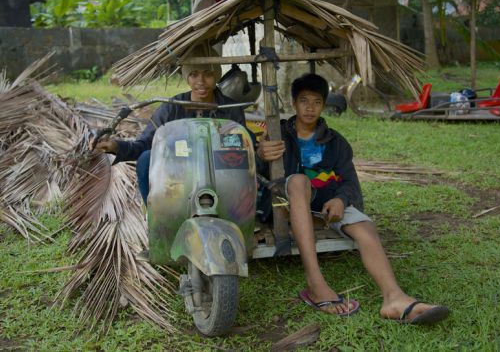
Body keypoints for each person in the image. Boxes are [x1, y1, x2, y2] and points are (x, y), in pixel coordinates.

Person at [257, 73, 450, 324]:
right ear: (294, 103)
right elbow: (257, 174)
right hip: (289, 205)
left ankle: (394, 298)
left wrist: (341, 200)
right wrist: (261, 153)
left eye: (316, 102)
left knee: (366, 228)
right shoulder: (277, 134)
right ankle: (315, 283)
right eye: (304, 101)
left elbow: (349, 182)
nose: (309, 107)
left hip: (326, 206)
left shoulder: (335, 142)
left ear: (323, 105)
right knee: (298, 181)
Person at [96, 45, 247, 204]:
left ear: (217, 75)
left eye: (208, 74)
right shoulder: (171, 107)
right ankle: (155, 214)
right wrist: (115, 146)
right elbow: (145, 144)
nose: (201, 81)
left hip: (220, 173)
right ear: (186, 76)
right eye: (194, 74)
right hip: (178, 173)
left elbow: (243, 150)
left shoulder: (231, 109)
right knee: (146, 158)